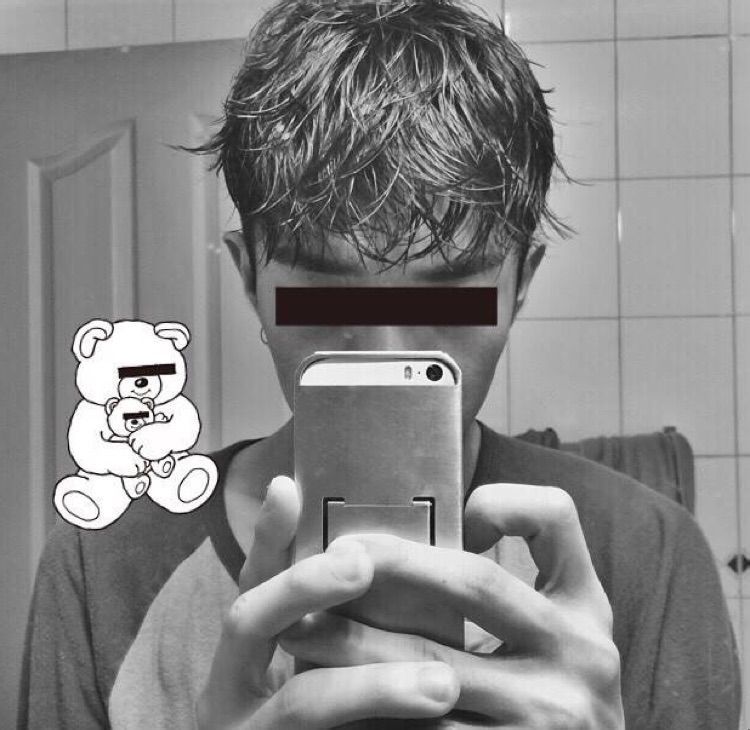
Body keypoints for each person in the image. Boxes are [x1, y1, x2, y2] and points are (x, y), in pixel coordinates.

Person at [18, 1, 741, 728]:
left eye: (450, 300)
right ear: (248, 279)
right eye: (324, 297)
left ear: (521, 283)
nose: (387, 357)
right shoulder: (102, 564)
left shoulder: (646, 551)